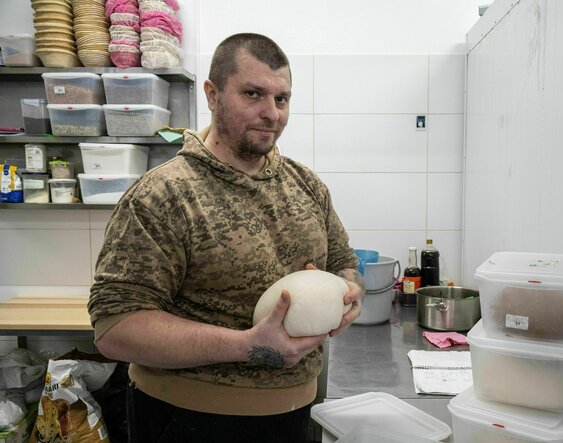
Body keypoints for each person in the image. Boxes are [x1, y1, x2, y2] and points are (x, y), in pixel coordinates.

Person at [87, 32, 364, 443]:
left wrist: (349, 296)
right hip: (188, 421)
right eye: (253, 94)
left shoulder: (306, 185)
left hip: (294, 416)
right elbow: (115, 328)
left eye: (282, 99)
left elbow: (345, 264)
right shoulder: (164, 195)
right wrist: (247, 345)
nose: (271, 113)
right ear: (212, 95)